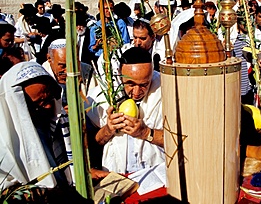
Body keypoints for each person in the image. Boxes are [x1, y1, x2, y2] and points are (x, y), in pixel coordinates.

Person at [86, 47, 164, 176]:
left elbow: (179, 141)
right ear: (119, 75)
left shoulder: (164, 90)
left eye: (144, 85)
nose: (137, 92)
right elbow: (90, 146)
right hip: (115, 175)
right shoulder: (100, 97)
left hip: (154, 175)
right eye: (131, 84)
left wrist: (146, 133)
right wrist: (108, 129)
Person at [0, 61, 73, 189]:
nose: (49, 106)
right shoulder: (4, 145)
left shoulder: (50, 123)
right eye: (40, 102)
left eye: (49, 98)